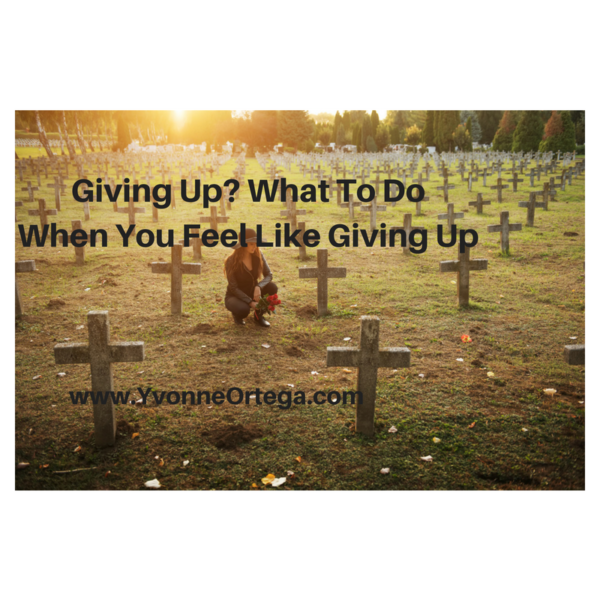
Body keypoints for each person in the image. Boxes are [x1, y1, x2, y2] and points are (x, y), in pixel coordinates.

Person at [223, 229, 278, 327]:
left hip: (253, 290)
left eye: (256, 243)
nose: (255, 246)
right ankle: (237, 315)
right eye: (251, 244)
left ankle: (259, 316)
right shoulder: (231, 261)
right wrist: (250, 302)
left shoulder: (258, 254)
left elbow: (269, 274)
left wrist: (258, 287)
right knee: (244, 310)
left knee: (272, 287)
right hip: (235, 295)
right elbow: (233, 287)